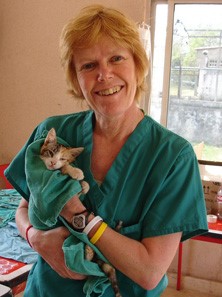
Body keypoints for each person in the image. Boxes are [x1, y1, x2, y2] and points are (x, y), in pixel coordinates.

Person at [5, 4, 208, 297]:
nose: (104, 74)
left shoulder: (173, 157)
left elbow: (150, 273)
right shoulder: (52, 133)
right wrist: (33, 235)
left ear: (138, 65)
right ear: (76, 79)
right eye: (88, 66)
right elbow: (24, 206)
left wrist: (79, 216)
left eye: (116, 58)